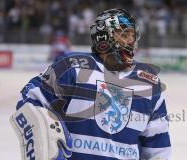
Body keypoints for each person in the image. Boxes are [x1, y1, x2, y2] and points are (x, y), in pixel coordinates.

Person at [10, 9, 171, 160]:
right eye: (123, 34)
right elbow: (29, 103)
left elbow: (158, 146)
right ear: (103, 36)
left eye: (132, 35)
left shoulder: (150, 84)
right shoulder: (71, 67)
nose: (130, 40)